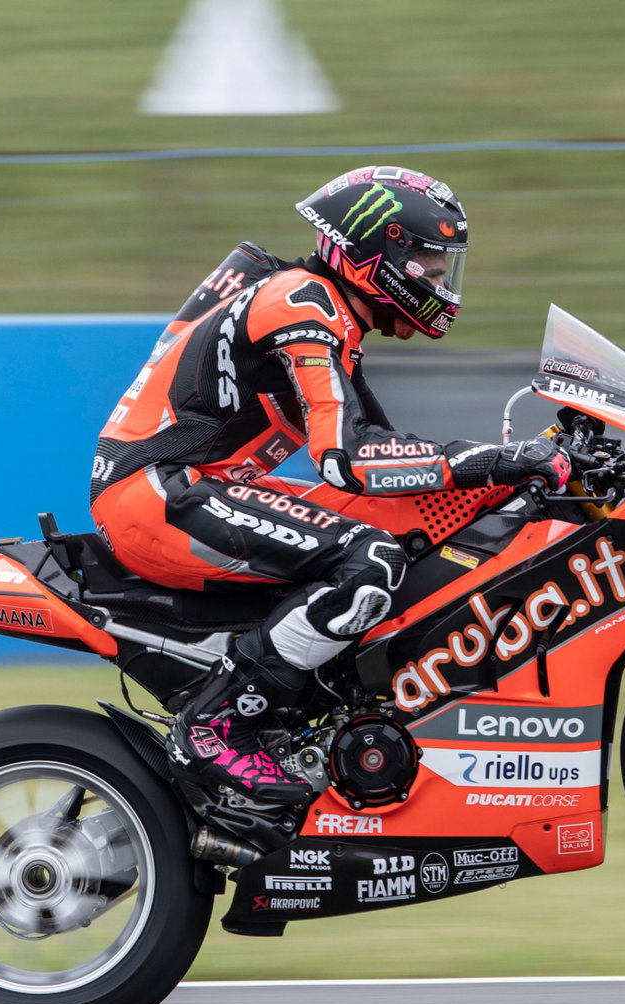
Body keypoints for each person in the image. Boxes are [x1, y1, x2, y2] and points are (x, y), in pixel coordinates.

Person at [89, 165, 572, 805]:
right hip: (158, 495)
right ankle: (216, 724)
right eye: (427, 267)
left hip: (194, 487)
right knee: (371, 560)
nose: (439, 284)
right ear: (379, 252)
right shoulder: (302, 305)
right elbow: (345, 460)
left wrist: (510, 470)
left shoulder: (331, 317)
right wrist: (495, 461)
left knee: (411, 523)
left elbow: (392, 460)